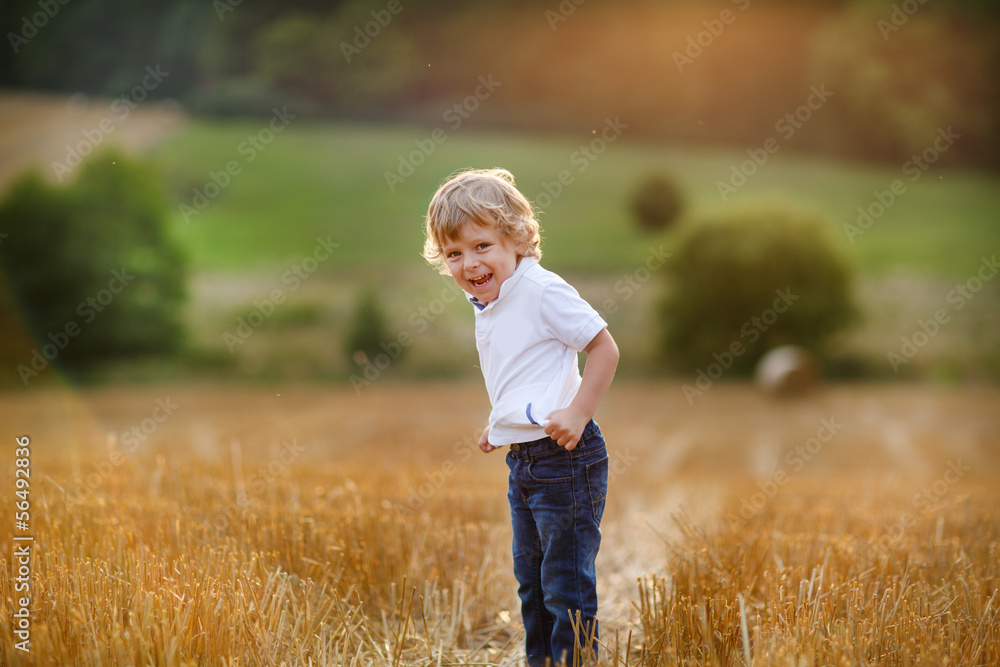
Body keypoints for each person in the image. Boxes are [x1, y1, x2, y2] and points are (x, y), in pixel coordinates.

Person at [423, 168, 619, 666]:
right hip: (525, 461)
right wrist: (502, 422)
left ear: (515, 238)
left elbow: (604, 348)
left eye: (482, 246)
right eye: (454, 254)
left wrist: (578, 412)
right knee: (531, 585)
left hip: (567, 460)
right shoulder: (489, 300)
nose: (470, 263)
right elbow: (523, 369)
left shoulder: (541, 289)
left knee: (564, 587)